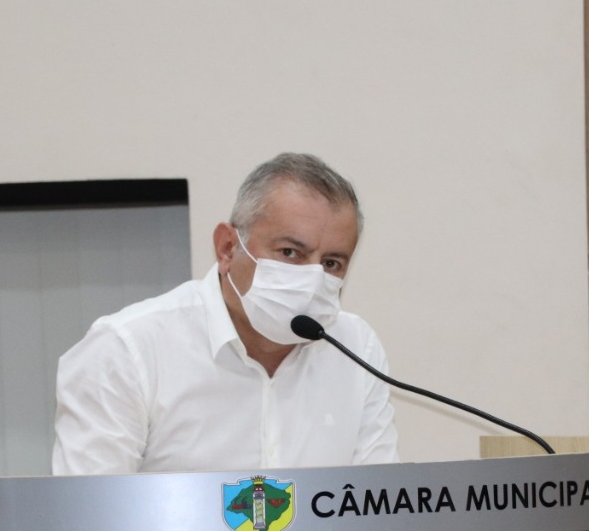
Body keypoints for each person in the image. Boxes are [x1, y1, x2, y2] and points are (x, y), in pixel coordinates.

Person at [52, 152, 399, 475]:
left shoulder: (357, 348)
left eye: (331, 263)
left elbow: (383, 503)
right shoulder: (126, 351)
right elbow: (90, 513)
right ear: (227, 248)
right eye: (290, 252)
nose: (311, 279)